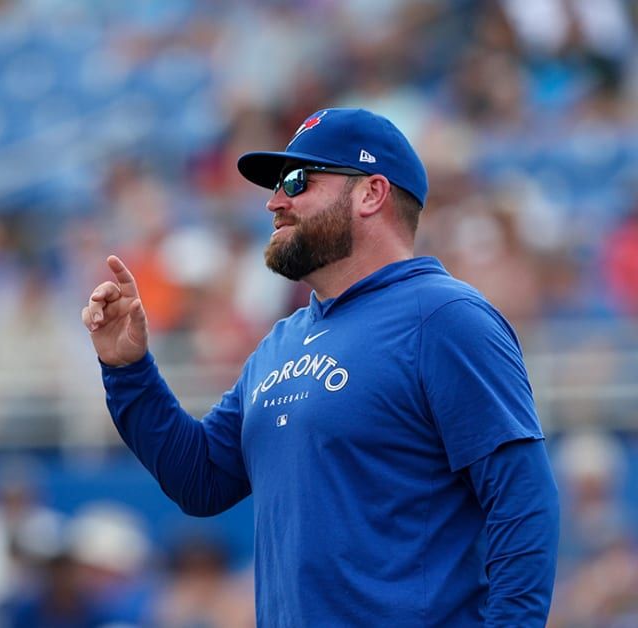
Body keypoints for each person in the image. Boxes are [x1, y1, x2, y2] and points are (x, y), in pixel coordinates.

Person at [82, 108, 560, 626]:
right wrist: (129, 369)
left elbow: (523, 504)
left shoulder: (445, 319)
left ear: (371, 194)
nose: (274, 202)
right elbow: (201, 480)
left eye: (297, 180)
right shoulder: (282, 341)